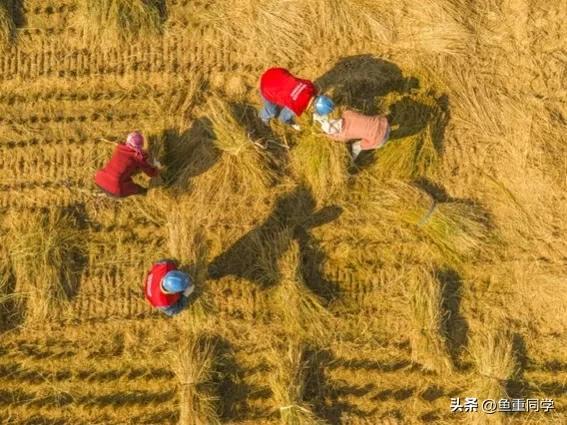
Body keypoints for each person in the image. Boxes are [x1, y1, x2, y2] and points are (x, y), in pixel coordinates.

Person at [258, 67, 334, 130]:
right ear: (313, 109)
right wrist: (292, 124)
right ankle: (263, 118)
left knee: (286, 95)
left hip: (277, 72)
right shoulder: (297, 107)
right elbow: (283, 118)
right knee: (272, 110)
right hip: (267, 86)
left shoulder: (310, 87)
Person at [94, 131, 160, 198]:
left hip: (99, 179)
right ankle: (146, 193)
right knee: (136, 188)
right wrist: (157, 167)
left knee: (121, 177)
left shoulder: (119, 148)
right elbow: (151, 173)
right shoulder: (137, 156)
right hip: (116, 189)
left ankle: (106, 191)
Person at [314, 110, 391, 160]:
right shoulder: (347, 114)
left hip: (379, 140)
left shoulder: (344, 135)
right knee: (367, 121)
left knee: (356, 145)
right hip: (383, 123)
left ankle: (353, 157)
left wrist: (325, 135)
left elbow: (337, 138)